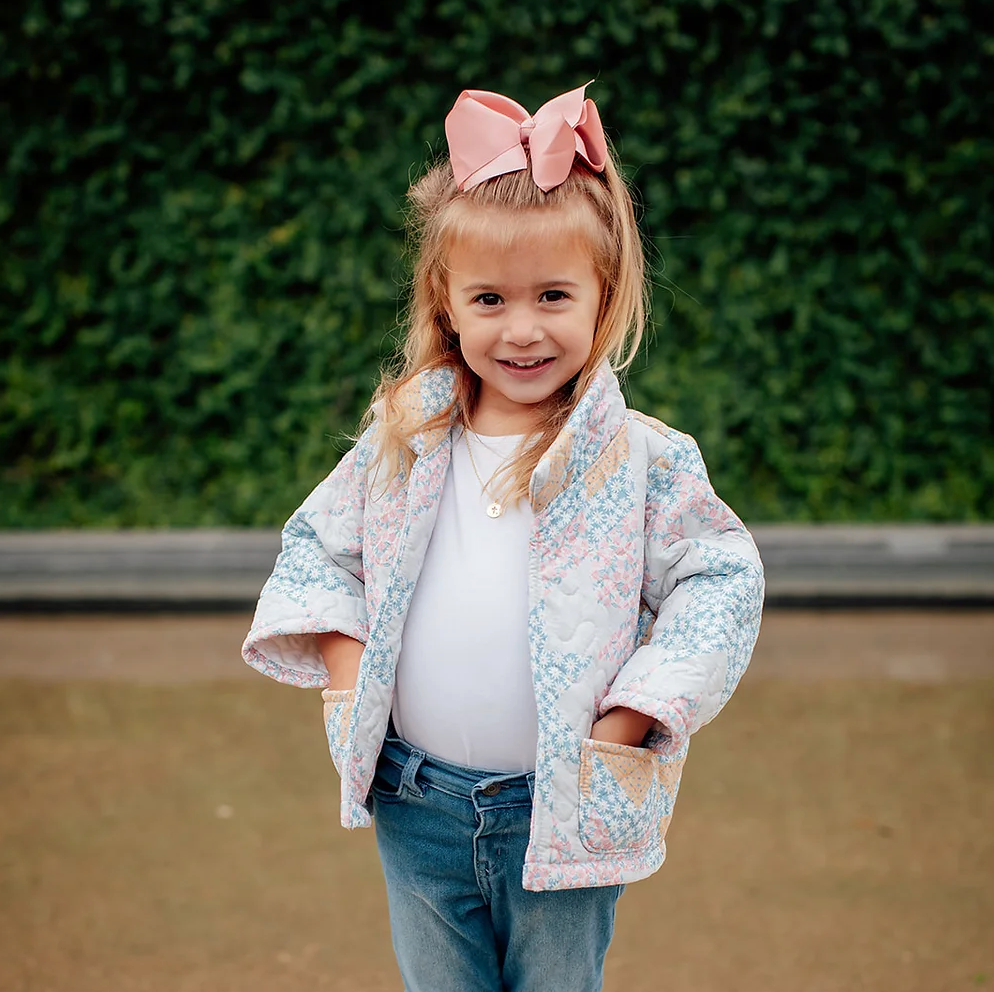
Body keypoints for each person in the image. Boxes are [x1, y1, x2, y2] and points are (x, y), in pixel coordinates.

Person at [242, 83, 765, 992]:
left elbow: (720, 582)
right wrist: (345, 669)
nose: (521, 330)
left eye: (553, 295)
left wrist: (629, 718)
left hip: (562, 811)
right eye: (489, 298)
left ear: (605, 296)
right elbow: (317, 550)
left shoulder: (643, 460)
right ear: (446, 303)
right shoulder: (401, 438)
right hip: (416, 802)